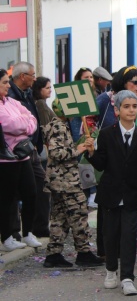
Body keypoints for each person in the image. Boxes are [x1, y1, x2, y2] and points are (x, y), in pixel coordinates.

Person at [85, 90, 137, 296]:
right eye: (126, 106)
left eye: (134, 106)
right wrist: (91, 153)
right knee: (110, 234)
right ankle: (111, 269)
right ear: (117, 110)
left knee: (130, 236)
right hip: (110, 194)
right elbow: (101, 164)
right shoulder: (107, 134)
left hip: (132, 194)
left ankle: (127, 277)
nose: (131, 110)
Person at [41, 99, 103, 268]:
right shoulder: (59, 127)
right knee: (79, 213)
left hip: (60, 180)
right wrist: (78, 149)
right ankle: (83, 253)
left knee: (59, 217)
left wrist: (79, 145)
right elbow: (56, 152)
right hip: (66, 181)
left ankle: (53, 254)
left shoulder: (57, 125)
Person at [0, 68, 41, 251]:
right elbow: (11, 124)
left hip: (23, 155)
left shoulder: (11, 102)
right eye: (4, 82)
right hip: (5, 159)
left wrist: (23, 124)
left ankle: (28, 233)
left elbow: (32, 120)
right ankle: (7, 237)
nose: (8, 86)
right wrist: (24, 124)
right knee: (7, 199)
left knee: (31, 193)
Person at [8, 62, 50, 239]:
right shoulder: (11, 95)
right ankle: (13, 232)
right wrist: (28, 125)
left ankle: (36, 227)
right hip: (16, 149)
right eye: (32, 75)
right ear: (22, 76)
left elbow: (32, 120)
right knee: (14, 191)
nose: (34, 78)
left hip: (31, 148)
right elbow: (16, 124)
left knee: (40, 185)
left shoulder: (27, 93)